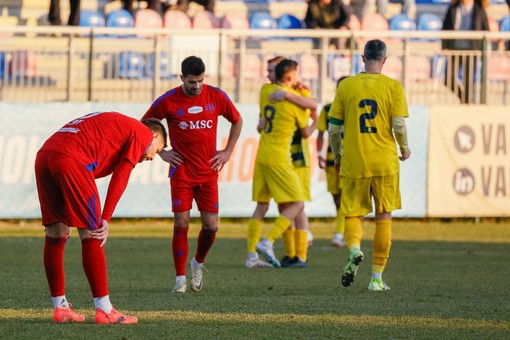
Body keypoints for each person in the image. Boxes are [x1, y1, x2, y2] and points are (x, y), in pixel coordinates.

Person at [35, 112, 167, 324]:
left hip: (45, 155)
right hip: (72, 159)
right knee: (93, 232)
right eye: (158, 150)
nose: (152, 157)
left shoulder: (121, 128)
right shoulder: (142, 133)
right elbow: (121, 175)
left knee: (56, 233)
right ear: (153, 135)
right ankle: (105, 310)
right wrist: (105, 218)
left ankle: (60, 308)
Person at [142, 56, 243, 293]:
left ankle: (197, 263)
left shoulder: (216, 96)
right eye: (191, 81)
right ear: (181, 78)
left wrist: (228, 152)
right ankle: (179, 280)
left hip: (208, 171)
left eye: (199, 81)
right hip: (182, 171)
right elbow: (145, 125)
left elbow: (237, 121)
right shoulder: (168, 100)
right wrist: (162, 152)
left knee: (211, 227)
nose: (196, 86)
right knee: (182, 221)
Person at [328, 39, 411, 291]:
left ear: (362, 58)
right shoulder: (394, 86)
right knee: (383, 217)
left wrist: (338, 158)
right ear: (384, 60)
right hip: (385, 161)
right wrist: (405, 148)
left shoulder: (347, 86)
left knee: (353, 213)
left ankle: (354, 249)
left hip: (355, 160)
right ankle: (376, 278)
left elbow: (333, 129)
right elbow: (398, 124)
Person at [246, 56, 318, 269]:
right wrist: (316, 119)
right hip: (283, 157)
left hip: (269, 156)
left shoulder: (265, 92)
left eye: (271, 70)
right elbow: (310, 117)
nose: (268, 73)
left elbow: (263, 122)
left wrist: (288, 93)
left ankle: (296, 255)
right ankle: (273, 244)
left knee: (277, 205)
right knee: (297, 204)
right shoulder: (295, 98)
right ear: (289, 76)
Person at [316, 76, 349, 248]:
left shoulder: (353, 109)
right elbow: (321, 134)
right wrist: (319, 154)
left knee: (344, 197)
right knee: (336, 197)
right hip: (331, 159)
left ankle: (338, 234)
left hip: (349, 159)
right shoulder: (328, 108)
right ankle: (343, 227)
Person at [441, 0, 489, 104]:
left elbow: (486, 29)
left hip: (471, 50)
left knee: (468, 81)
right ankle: (464, 99)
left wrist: (481, 49)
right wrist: (444, 46)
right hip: (455, 49)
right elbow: (445, 28)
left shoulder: (479, 9)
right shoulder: (452, 9)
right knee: (448, 78)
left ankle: (466, 104)